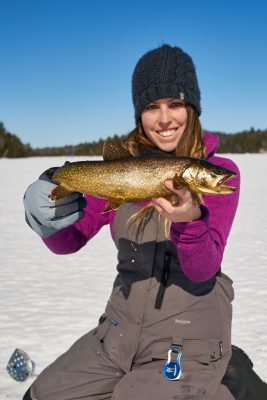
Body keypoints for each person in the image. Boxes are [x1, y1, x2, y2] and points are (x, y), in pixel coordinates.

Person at [22, 44, 267, 400]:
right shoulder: (116, 174)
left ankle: (227, 378)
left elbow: (203, 268)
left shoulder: (223, 171)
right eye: (152, 107)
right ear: (139, 113)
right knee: (41, 395)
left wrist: (191, 221)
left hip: (187, 334)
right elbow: (69, 241)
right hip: (119, 331)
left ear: (192, 107)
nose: (164, 119)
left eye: (175, 104)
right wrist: (48, 221)